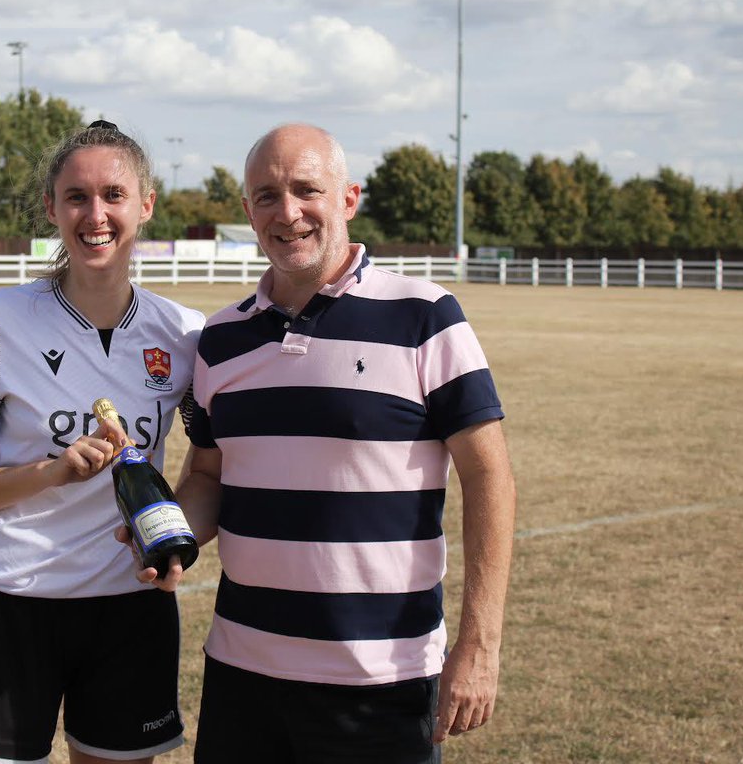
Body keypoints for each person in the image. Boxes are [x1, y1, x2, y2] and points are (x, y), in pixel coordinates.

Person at [140, 123, 517, 763]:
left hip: (382, 680)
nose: (287, 212)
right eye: (266, 196)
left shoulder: (425, 315)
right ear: (248, 211)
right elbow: (207, 475)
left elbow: (490, 477)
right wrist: (170, 535)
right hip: (243, 674)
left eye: (306, 189)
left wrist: (480, 644)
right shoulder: (220, 340)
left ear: (348, 198)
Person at [0, 120, 205, 764]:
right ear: (51, 208)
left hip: (132, 606)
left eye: (114, 194)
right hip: (12, 597)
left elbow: (211, 462)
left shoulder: (185, 334)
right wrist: (51, 471)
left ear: (146, 205)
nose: (95, 214)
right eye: (76, 197)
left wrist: (172, 533)